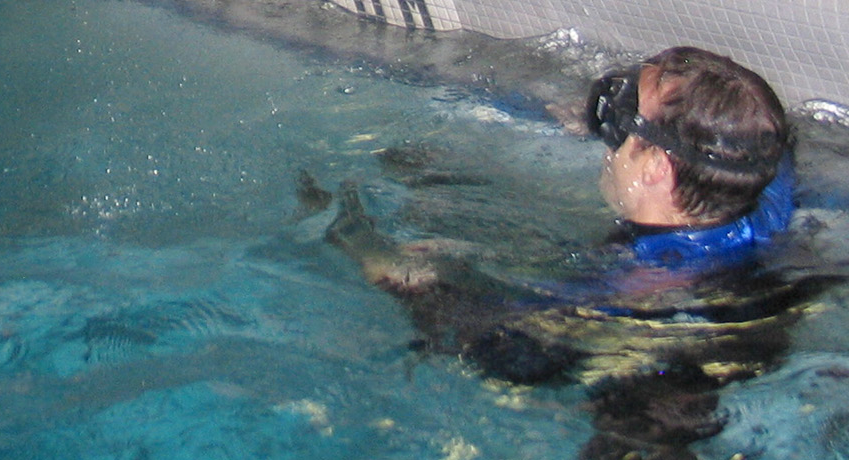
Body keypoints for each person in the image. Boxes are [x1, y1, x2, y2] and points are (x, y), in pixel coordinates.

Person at [328, 47, 824, 460]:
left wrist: (383, 261)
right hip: (761, 323)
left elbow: (501, 350)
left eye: (620, 123)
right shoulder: (764, 201)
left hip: (661, 374)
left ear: (656, 168)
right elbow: (767, 141)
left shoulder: (631, 280)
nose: (607, 139)